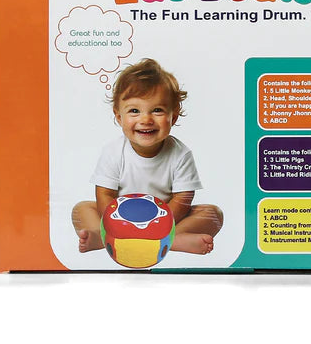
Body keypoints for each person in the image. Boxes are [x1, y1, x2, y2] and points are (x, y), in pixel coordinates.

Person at [72, 58, 223, 256]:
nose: (146, 119)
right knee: (82, 209)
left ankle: (170, 239)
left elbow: (183, 198)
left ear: (173, 117)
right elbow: (104, 194)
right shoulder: (113, 151)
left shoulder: (180, 154)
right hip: (121, 218)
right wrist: (114, 222)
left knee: (213, 214)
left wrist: (161, 224)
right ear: (119, 117)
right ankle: (103, 236)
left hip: (164, 218)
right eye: (134, 111)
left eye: (157, 110)